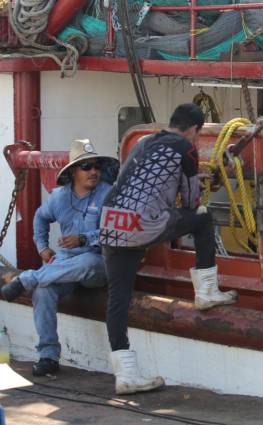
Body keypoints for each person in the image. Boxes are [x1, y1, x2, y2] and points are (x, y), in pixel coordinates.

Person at [99, 103, 237, 395]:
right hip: (142, 225)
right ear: (194, 130)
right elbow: (190, 202)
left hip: (111, 222)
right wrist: (204, 179)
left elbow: (142, 181)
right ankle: (207, 292)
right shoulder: (185, 148)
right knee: (203, 217)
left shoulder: (145, 142)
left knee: (118, 297)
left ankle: (126, 375)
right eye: (198, 135)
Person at [1, 139, 118, 376]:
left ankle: (27, 279)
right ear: (73, 171)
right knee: (44, 291)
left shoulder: (109, 194)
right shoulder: (60, 197)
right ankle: (48, 356)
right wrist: (43, 248)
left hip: (98, 263)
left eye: (96, 166)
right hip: (65, 264)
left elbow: (116, 233)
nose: (94, 172)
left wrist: (83, 239)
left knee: (85, 262)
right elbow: (40, 217)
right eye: (86, 167)